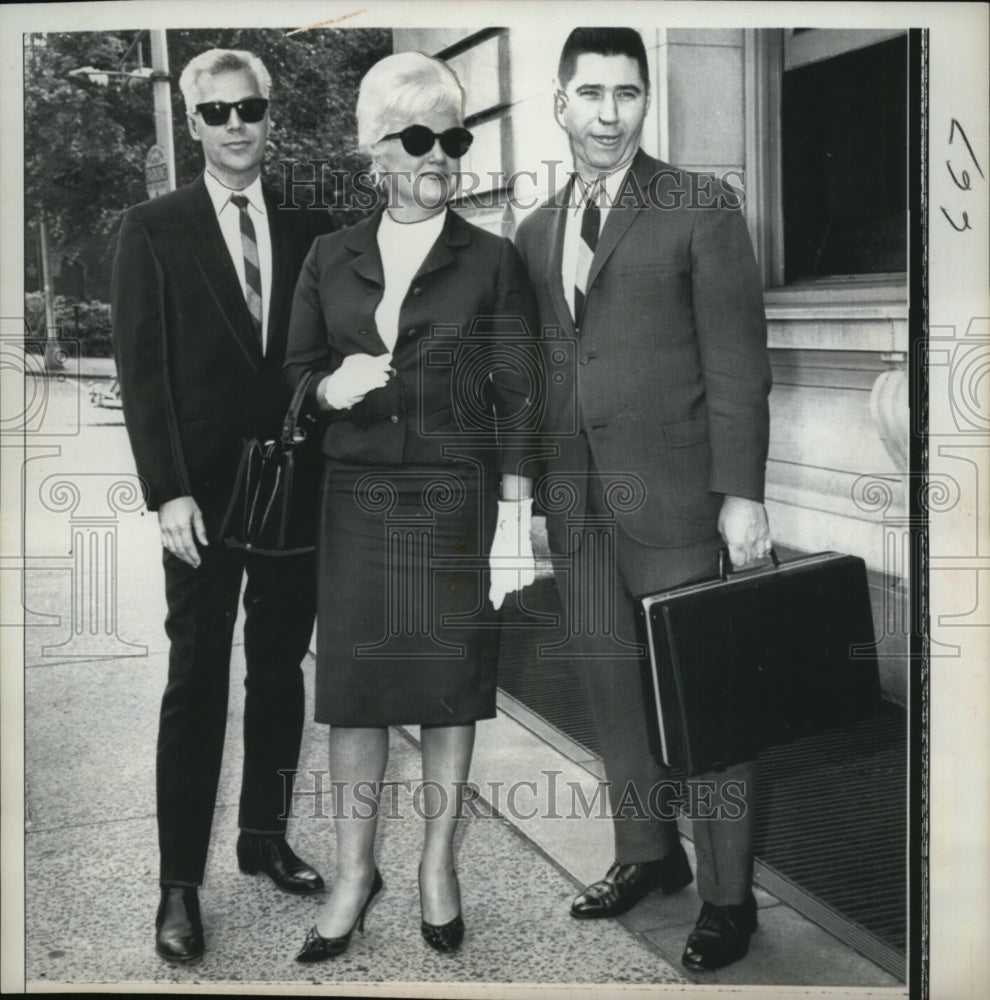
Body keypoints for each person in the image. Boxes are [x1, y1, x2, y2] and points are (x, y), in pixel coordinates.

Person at [514, 28, 773, 972]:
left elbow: (741, 364)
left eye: (627, 94)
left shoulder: (700, 205)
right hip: (578, 506)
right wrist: (532, 492)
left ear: (645, 102)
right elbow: (549, 364)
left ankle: (730, 897)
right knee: (612, 692)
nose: (609, 113)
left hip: (678, 500)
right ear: (560, 103)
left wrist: (740, 495)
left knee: (702, 702)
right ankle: (646, 855)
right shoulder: (537, 228)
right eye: (591, 94)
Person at [282, 51, 540, 962]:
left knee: (447, 693)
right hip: (355, 498)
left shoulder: (494, 260)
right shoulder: (327, 255)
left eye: (454, 138)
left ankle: (437, 864)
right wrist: (325, 392)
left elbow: (518, 395)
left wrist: (514, 521)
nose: (441, 156)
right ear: (376, 152)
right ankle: (353, 873)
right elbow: (293, 372)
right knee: (353, 698)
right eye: (419, 137)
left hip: (455, 501)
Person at [111, 48, 334, 963]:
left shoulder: (313, 227)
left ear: (268, 116)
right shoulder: (152, 228)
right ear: (193, 124)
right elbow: (141, 374)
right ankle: (179, 887)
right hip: (199, 502)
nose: (236, 124)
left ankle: (263, 835)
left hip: (291, 490)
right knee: (197, 679)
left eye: (250, 109)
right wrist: (166, 492)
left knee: (280, 667)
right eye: (217, 112)